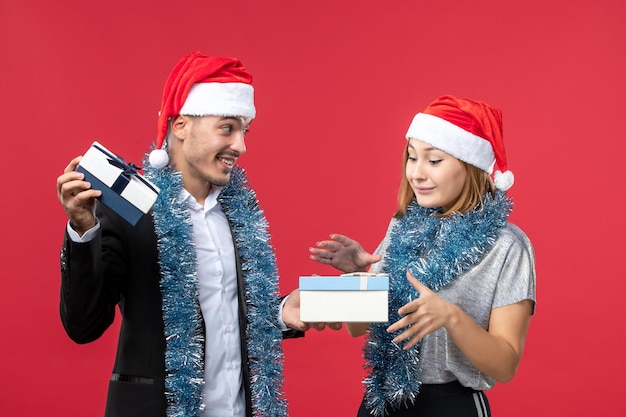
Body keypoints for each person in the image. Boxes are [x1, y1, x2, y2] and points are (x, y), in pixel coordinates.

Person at [56, 51, 335, 417]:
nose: (241, 145)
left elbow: (227, 319)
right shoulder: (131, 213)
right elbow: (84, 325)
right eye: (227, 128)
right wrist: (82, 229)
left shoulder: (239, 216)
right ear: (181, 126)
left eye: (244, 131)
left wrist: (282, 312)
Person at [310, 95, 536, 417]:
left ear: (469, 165)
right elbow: (358, 327)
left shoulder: (508, 246)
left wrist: (451, 317)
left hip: (451, 405)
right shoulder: (404, 226)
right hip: (381, 401)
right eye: (412, 158)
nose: (416, 174)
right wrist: (358, 278)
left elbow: (505, 364)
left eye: (434, 161)